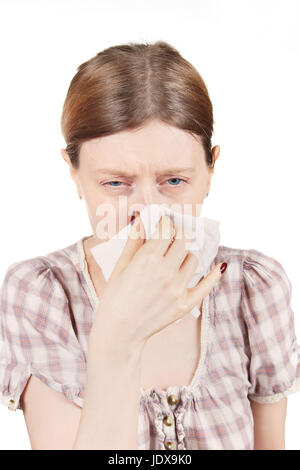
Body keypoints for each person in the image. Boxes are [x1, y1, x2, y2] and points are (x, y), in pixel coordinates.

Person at [0, 41, 300, 450]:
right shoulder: (40, 295)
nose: (147, 214)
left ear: (210, 171)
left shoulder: (255, 289)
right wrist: (116, 338)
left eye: (174, 181)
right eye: (116, 184)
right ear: (74, 175)